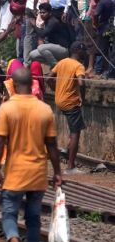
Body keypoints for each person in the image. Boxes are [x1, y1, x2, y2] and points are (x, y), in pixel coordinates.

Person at [0, 64, 62, 242]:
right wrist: (57, 172)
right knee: (34, 218)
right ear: (32, 84)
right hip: (38, 173)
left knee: (9, 214)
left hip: (15, 173)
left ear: (12, 84)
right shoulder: (44, 109)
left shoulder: (7, 108)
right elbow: (52, 145)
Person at [50, 42, 90, 173]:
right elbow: (81, 82)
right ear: (79, 52)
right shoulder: (79, 66)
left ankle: (67, 150)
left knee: (73, 129)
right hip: (70, 102)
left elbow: (48, 78)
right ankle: (70, 167)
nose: (85, 54)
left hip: (59, 101)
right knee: (75, 133)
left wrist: (55, 89)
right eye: (84, 51)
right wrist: (82, 97)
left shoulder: (62, 62)